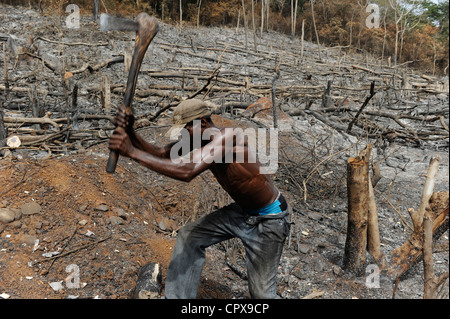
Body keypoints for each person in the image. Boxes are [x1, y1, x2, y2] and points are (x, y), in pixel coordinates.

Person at [108, 99, 291, 299]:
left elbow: (187, 172)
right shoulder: (199, 140)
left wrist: (132, 152)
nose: (183, 135)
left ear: (202, 123)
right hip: (242, 212)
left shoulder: (228, 137)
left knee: (262, 296)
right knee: (189, 237)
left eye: (186, 129)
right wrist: (131, 132)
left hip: (269, 219)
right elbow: (161, 153)